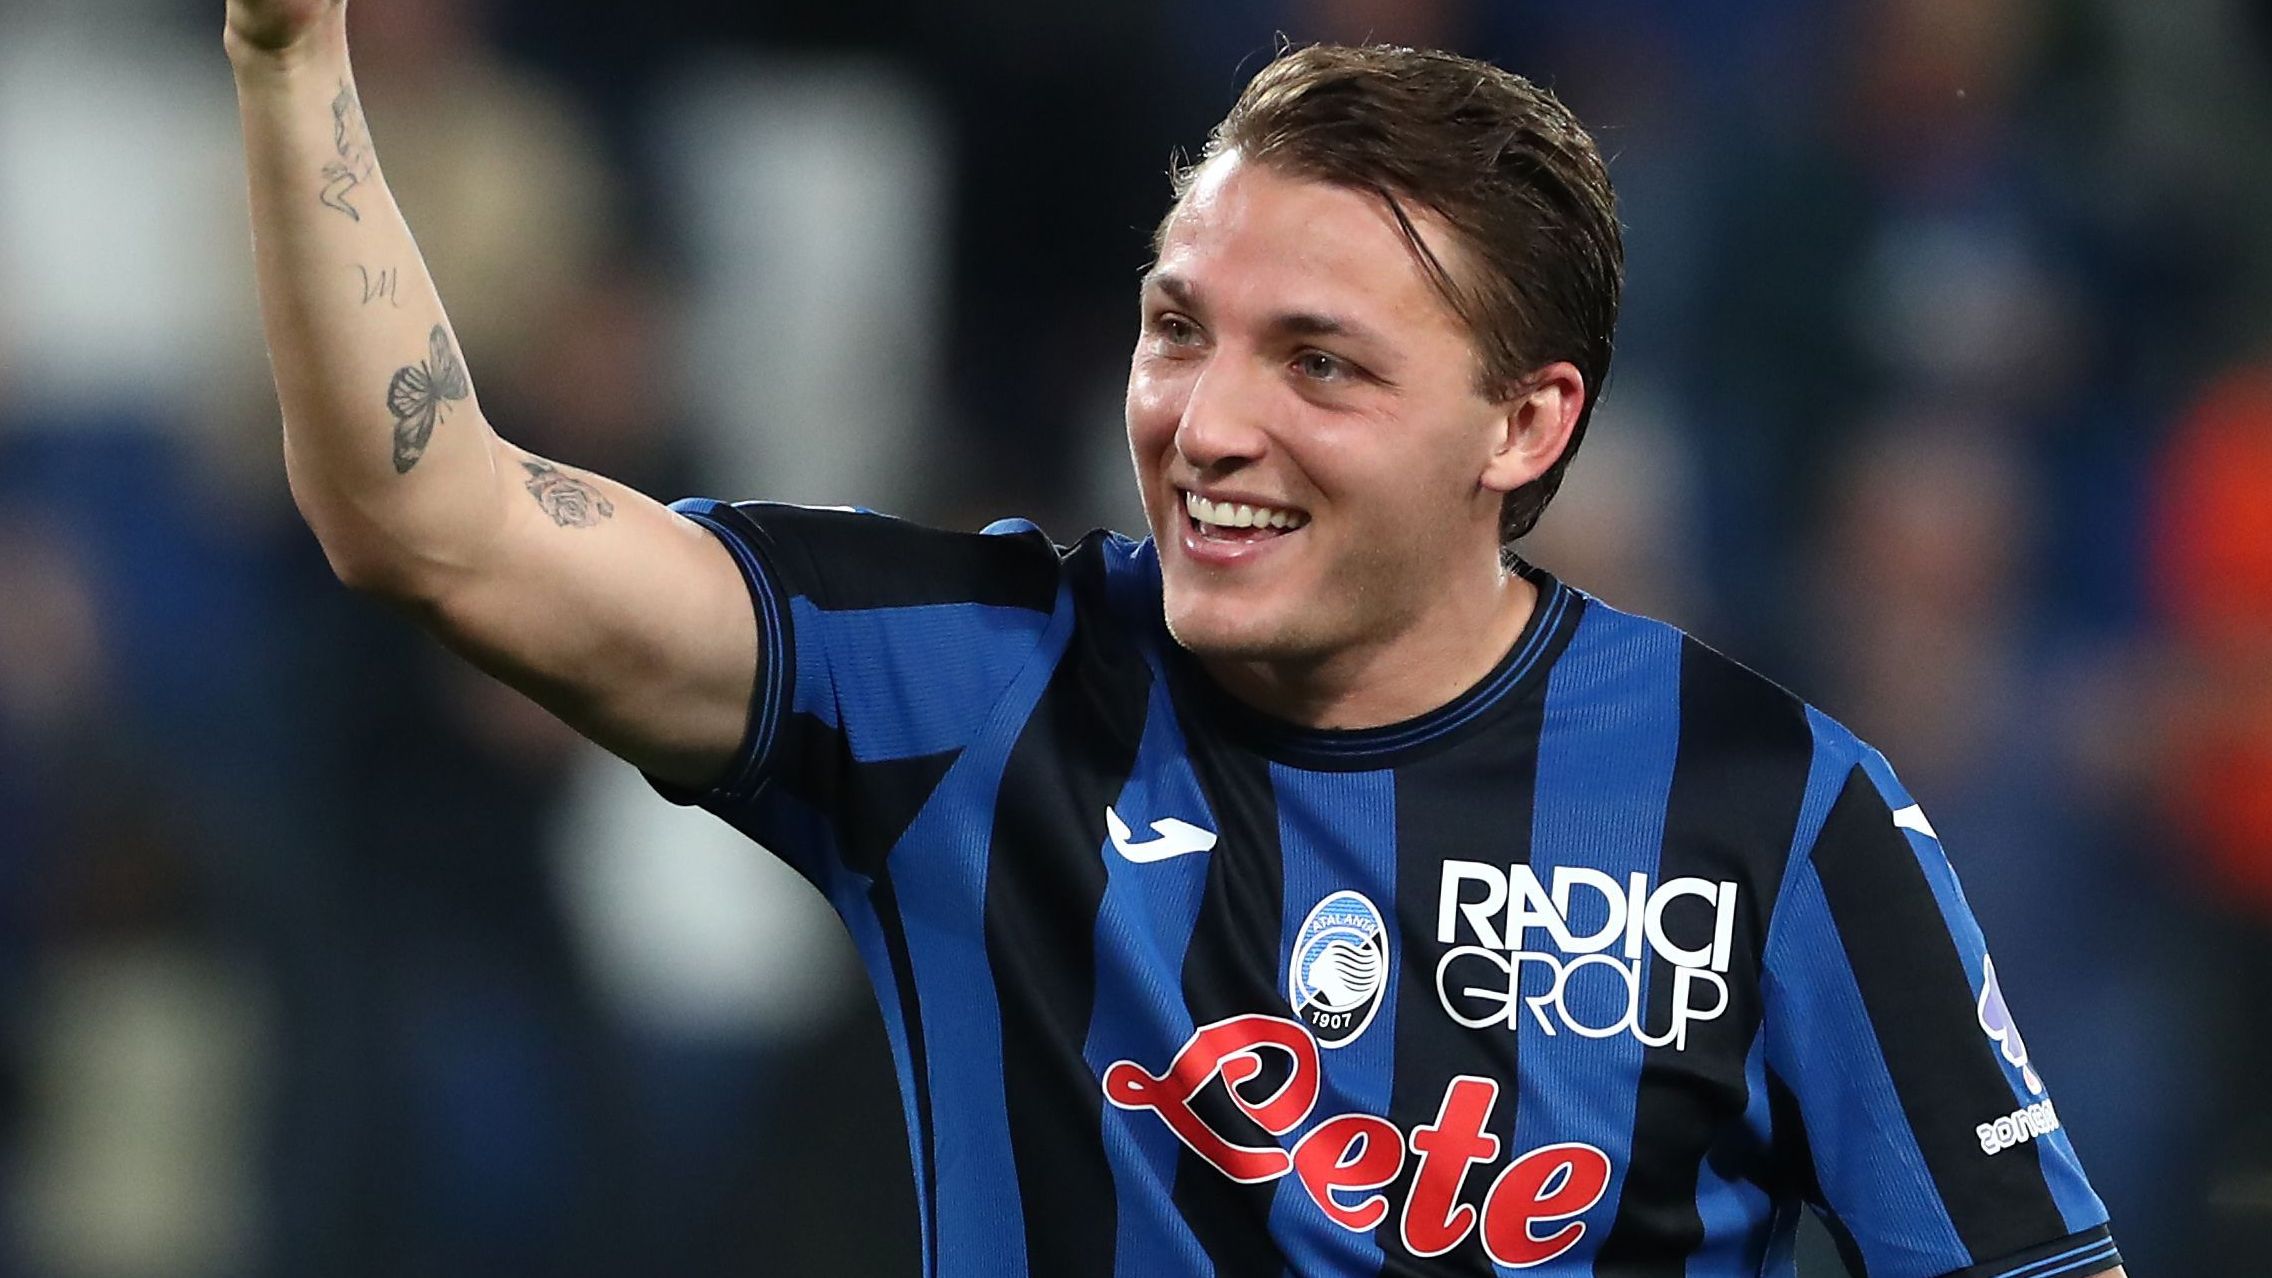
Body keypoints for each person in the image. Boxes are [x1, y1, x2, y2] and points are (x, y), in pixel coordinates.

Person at [224, 1, 2128, 1273]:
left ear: (1525, 425)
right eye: (1177, 328)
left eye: (1321, 363)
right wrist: (288, 49)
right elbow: (432, 517)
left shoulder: (1773, 812)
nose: (1208, 423)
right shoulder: (974, 686)